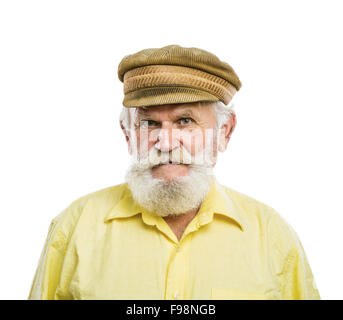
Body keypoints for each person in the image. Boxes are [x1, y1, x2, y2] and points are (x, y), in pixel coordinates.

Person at [28, 45, 320, 300]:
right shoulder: (73, 228)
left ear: (224, 131)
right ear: (127, 133)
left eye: (184, 120)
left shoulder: (272, 237)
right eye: (149, 123)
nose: (166, 143)